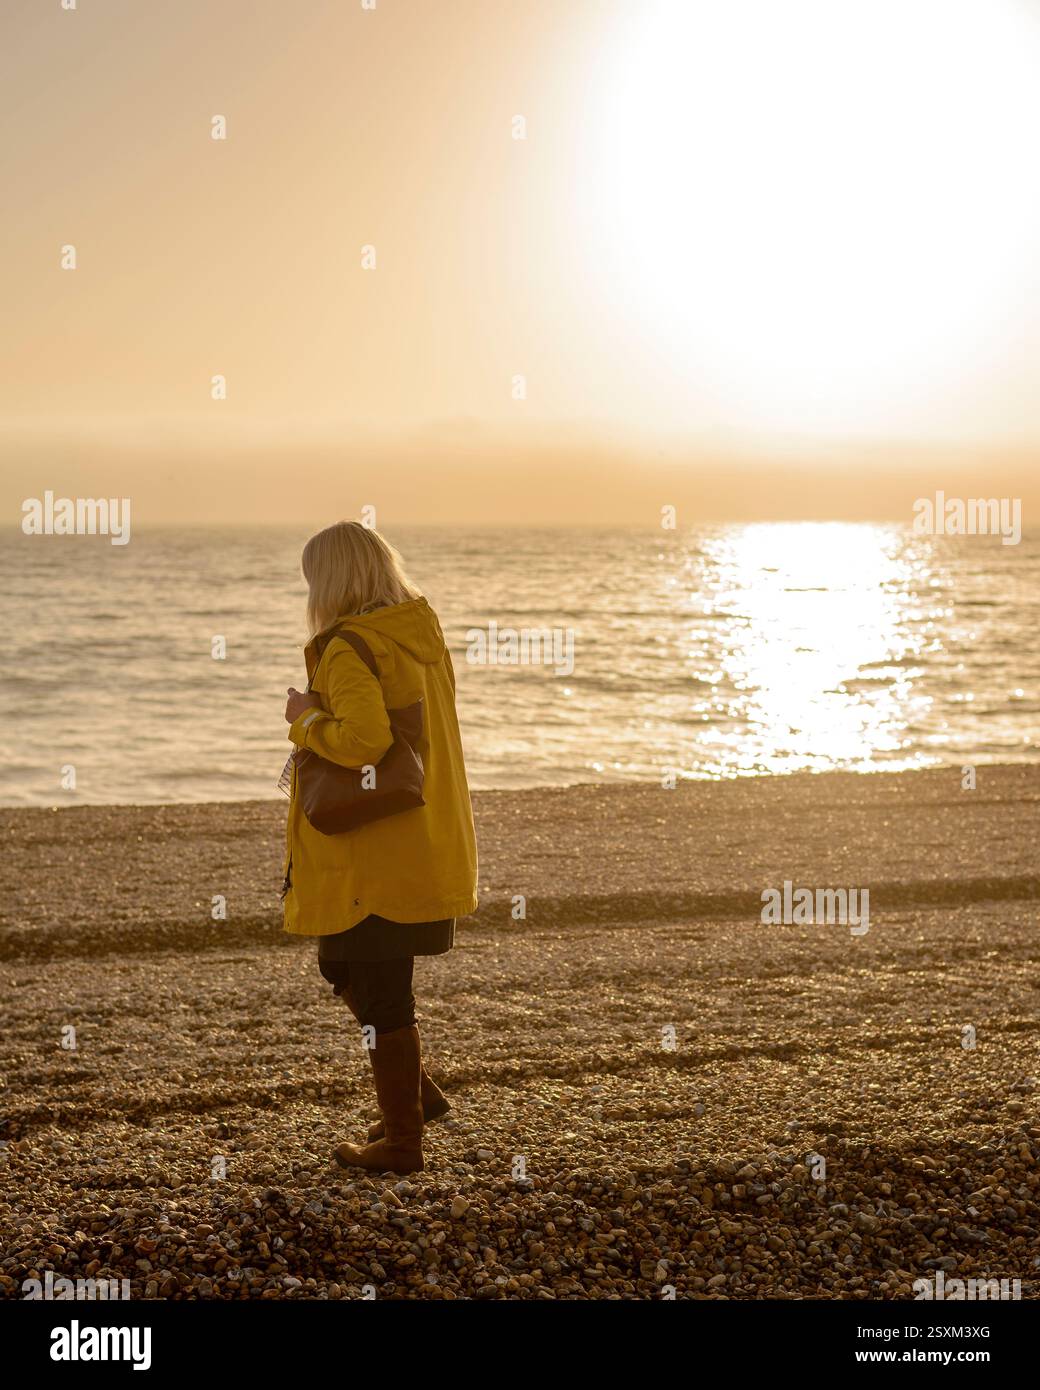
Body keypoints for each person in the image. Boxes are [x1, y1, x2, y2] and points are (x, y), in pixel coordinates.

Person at [282, 521, 478, 1174]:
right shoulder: (418, 637)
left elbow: (363, 740)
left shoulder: (347, 647)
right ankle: (415, 1100)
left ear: (332, 580)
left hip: (376, 851)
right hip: (422, 837)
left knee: (384, 989)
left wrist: (305, 721)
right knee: (341, 965)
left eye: (314, 579)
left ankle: (402, 1143)